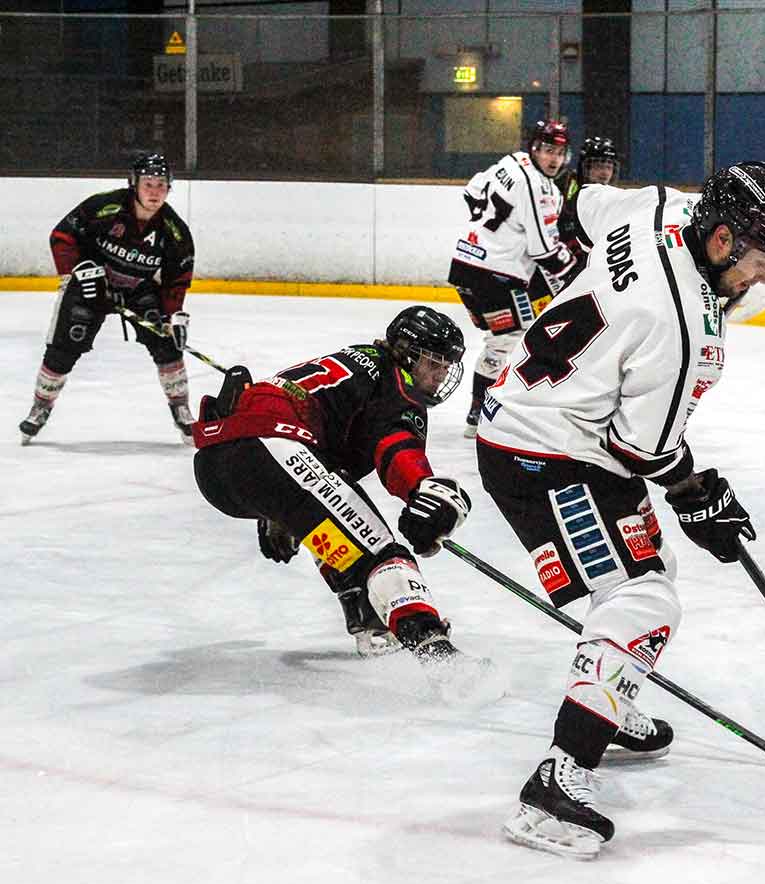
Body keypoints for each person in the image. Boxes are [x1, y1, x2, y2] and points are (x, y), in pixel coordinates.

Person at [476, 162, 765, 858]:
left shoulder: (655, 205)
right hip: (548, 453)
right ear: (720, 240)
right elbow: (642, 450)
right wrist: (696, 492)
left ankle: (606, 701)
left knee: (648, 569)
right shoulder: (685, 329)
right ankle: (558, 782)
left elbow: (580, 205)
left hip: (546, 423)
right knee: (644, 600)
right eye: (761, 261)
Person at [191, 305, 479, 661]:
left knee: (335, 524)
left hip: (216, 467)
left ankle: (371, 619)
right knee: (381, 552)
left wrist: (280, 509)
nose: (440, 376)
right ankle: (435, 650)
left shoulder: (358, 363)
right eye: (434, 364)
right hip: (270, 449)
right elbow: (396, 445)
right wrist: (421, 490)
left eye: (446, 367)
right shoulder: (394, 382)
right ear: (406, 353)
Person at [19, 153, 197, 445]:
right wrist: (77, 270)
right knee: (64, 347)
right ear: (134, 184)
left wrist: (175, 315)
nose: (155, 192)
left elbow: (176, 279)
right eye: (148, 184)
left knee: (167, 344)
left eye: (161, 185)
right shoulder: (105, 207)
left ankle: (181, 409)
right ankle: (40, 407)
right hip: (91, 284)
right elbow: (62, 236)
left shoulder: (175, 231)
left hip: (139, 290)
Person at [448, 119, 580, 440]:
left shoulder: (509, 162)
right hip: (496, 275)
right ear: (535, 149)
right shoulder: (538, 186)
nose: (554, 159)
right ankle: (480, 411)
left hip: (464, 264)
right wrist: (577, 274)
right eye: (548, 150)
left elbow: (472, 192)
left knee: (506, 336)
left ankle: (488, 404)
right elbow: (543, 249)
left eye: (560, 153)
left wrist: (493, 234)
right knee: (510, 339)